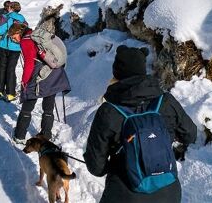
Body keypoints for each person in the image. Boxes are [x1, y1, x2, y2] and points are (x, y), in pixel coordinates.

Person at [84, 45, 197, 203]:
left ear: (116, 74)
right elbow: (191, 134)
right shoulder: (166, 101)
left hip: (123, 193)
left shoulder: (108, 111)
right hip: (168, 191)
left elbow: (96, 167)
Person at [12, 22, 70, 144]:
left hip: (41, 74)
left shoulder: (26, 41)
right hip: (54, 71)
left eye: (13, 37)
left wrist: (24, 82)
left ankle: (20, 135)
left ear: (18, 32)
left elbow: (29, 64)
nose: (14, 40)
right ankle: (46, 135)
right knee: (48, 107)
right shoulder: (36, 35)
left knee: (28, 105)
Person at [0, 1, 26, 101]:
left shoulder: (5, 17)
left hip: (3, 46)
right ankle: (10, 94)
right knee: (11, 69)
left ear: (10, 8)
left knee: (2, 68)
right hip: (16, 47)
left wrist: (8, 24)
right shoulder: (22, 19)